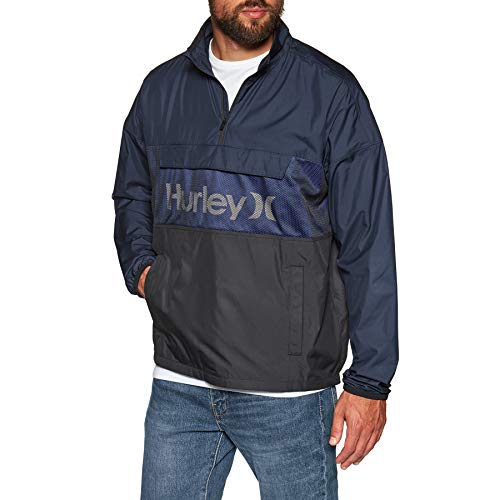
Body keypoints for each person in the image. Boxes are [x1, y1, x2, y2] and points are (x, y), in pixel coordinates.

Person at [112, 1, 398, 498]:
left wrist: (369, 381)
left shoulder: (331, 94)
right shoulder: (161, 90)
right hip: (181, 381)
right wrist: (144, 272)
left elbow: (368, 240)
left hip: (290, 393)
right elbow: (133, 193)